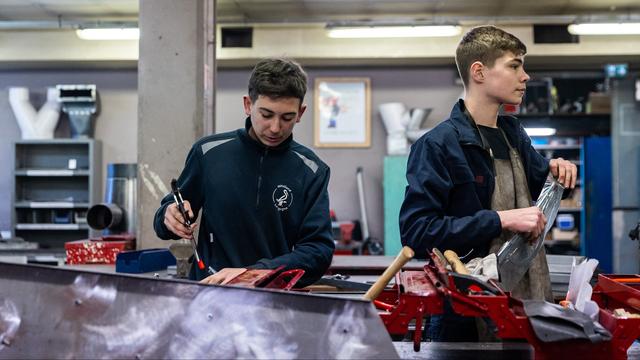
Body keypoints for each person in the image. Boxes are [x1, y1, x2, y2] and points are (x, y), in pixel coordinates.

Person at [399, 26, 577, 341]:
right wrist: (500, 220)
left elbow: (542, 190)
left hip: (522, 305)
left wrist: (558, 169)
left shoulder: (513, 134)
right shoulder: (438, 145)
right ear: (479, 72)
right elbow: (417, 232)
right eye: (514, 65)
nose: (526, 76)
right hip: (463, 313)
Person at [154, 58, 334, 287]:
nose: (275, 128)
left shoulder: (311, 170)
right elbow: (165, 220)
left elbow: (318, 251)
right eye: (266, 115)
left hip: (272, 298)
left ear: (300, 112)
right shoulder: (208, 153)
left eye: (287, 118)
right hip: (209, 294)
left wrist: (255, 274)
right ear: (248, 105)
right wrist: (169, 216)